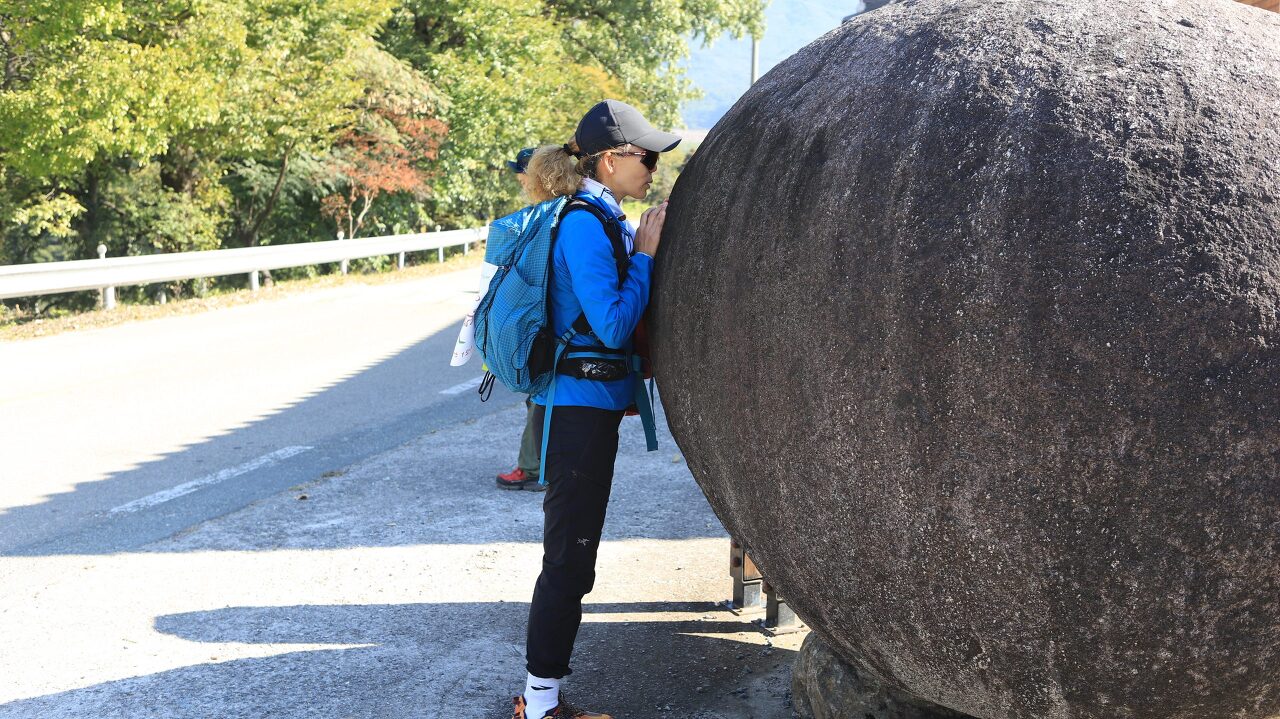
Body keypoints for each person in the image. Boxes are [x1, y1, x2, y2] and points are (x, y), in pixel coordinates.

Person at [510, 100, 677, 719]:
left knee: (574, 556)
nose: (654, 167)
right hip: (576, 410)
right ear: (611, 160)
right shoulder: (585, 221)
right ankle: (541, 701)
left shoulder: (602, 214)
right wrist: (645, 257)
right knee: (569, 559)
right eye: (646, 156)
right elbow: (609, 325)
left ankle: (542, 695)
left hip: (590, 406)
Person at [496, 146, 554, 491]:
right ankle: (535, 466)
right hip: (542, 326)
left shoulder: (541, 218)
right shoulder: (551, 213)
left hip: (541, 327)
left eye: (522, 174)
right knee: (538, 399)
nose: (519, 181)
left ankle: (533, 468)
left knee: (539, 397)